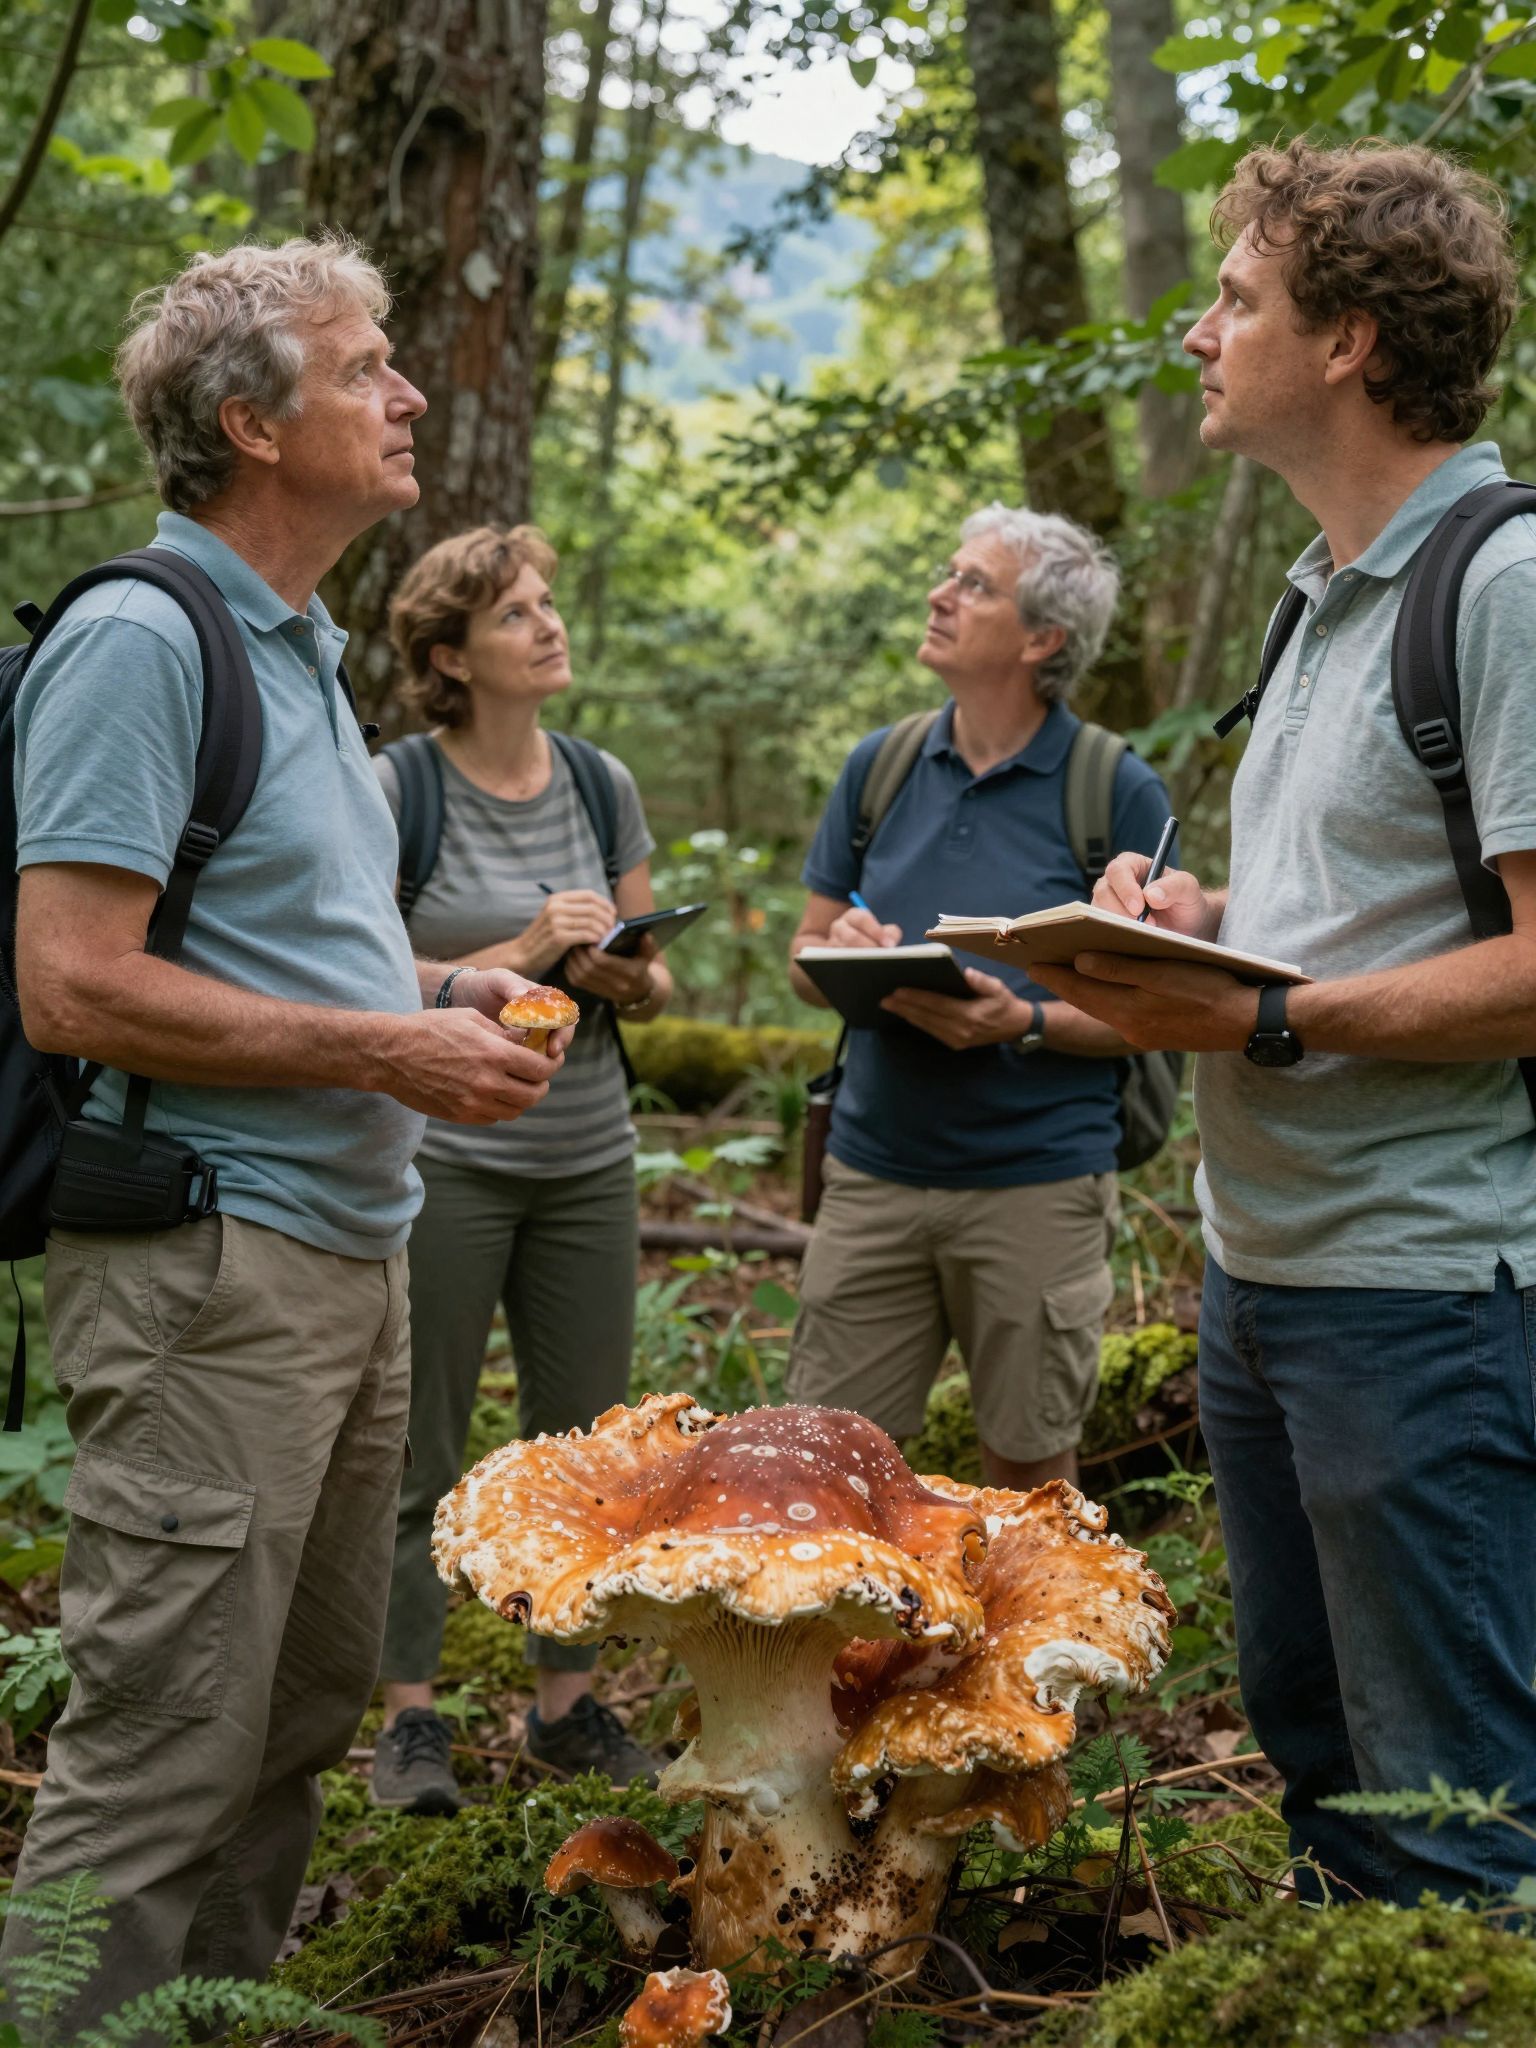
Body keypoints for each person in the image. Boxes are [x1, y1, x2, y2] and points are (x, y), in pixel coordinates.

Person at [1, 236, 569, 2026]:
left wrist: (436, 989)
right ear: (249, 422)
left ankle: (218, 2015)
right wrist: (385, 1052)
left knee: (299, 1718)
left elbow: (264, 934)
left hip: (345, 1256)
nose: (407, 396)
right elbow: (75, 984)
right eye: (363, 371)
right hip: (202, 1264)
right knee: (164, 1742)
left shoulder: (303, 657)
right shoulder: (136, 641)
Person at [1033, 140, 1536, 1906]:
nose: (1197, 334)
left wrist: (1262, 1017)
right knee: (1316, 1756)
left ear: (1346, 339)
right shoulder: (1319, 599)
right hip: (1258, 1281)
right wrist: (1193, 927)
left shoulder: (1503, 582)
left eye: (1235, 296)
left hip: (1421, 1294)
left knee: (1454, 1811)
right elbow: (1360, 909)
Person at [368, 525, 671, 1813]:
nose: (548, 626)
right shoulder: (400, 788)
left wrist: (621, 972)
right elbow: (357, 971)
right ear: (451, 656)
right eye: (514, 616)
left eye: (547, 604)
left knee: (587, 1447)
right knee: (418, 1441)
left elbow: (654, 989)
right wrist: (531, 941)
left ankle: (567, 1703)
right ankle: (410, 1719)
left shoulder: (600, 784)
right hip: (443, 1162)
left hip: (587, 1157)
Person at [785, 508, 1172, 1491]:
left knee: (1030, 1482)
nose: (939, 594)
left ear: (1043, 639)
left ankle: (1017, 1651)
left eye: (973, 584)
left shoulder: (1114, 789)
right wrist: (846, 949)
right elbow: (804, 952)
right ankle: (865, 1655)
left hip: (1036, 1185)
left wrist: (1025, 1020)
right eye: (946, 572)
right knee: (827, 1475)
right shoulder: (881, 766)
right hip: (871, 1174)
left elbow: (1158, 1009)